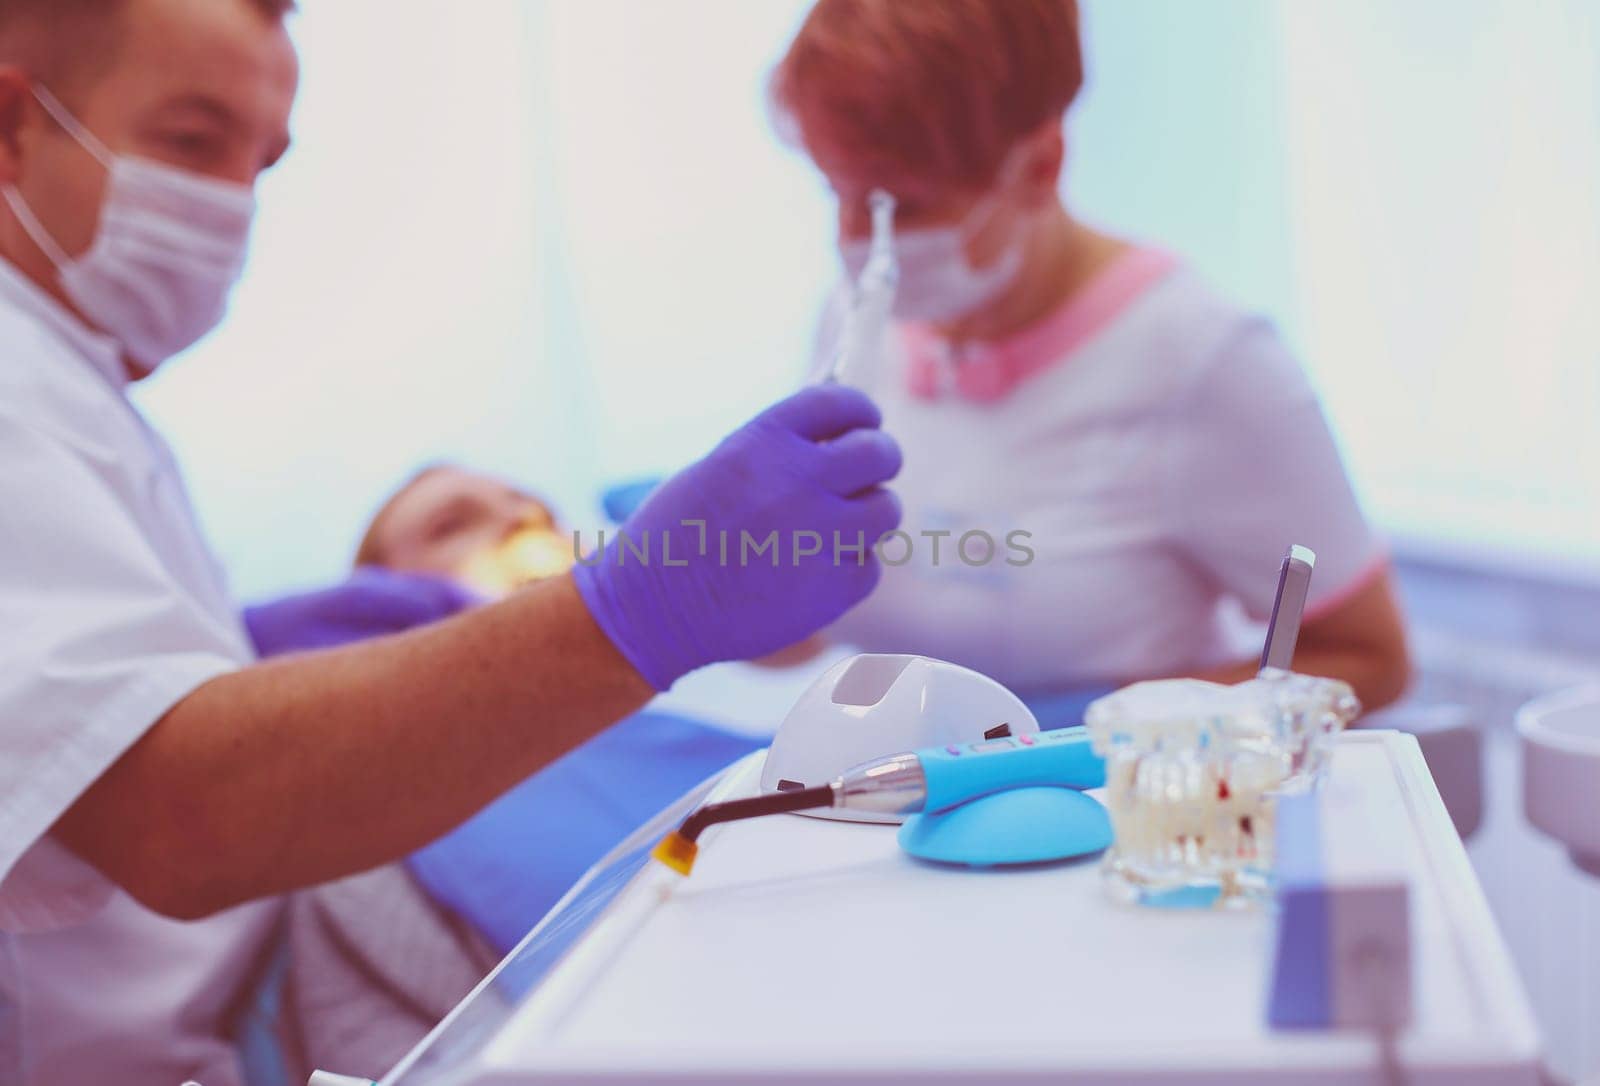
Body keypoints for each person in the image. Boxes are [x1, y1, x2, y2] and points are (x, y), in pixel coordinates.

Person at [0, 2, 902, 1083]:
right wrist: (643, 606)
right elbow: (178, 815)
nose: (230, 202)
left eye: (263, 161)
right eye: (192, 141)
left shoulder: (75, 383)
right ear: (12, 122)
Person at [770, 0, 1410, 716]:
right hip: (883, 807)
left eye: (903, 209)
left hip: (1112, 812)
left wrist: (1105, 724)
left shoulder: (1204, 359)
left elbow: (1371, 658)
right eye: (838, 191)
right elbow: (798, 631)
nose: (856, 242)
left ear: (1041, 165)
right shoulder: (854, 321)